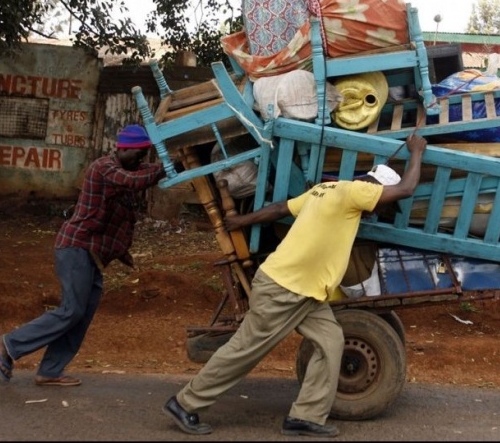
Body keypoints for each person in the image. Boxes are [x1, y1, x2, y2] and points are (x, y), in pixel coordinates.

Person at [162, 134, 428, 438]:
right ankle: (185, 404)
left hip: (307, 293)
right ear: (376, 189)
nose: (375, 214)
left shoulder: (325, 190)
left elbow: (279, 210)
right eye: (380, 207)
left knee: (331, 342)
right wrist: (416, 151)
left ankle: (305, 417)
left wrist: (242, 220)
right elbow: (406, 188)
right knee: (243, 351)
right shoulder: (356, 191)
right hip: (283, 288)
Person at [0, 124, 166, 386]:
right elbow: (136, 180)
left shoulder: (126, 168)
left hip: (92, 254)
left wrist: (121, 251)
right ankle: (9, 343)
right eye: (139, 154)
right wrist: (168, 167)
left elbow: (140, 178)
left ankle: (50, 371)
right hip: (76, 247)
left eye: (145, 154)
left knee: (81, 315)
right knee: (71, 310)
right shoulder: (104, 167)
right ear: (123, 148)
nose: (142, 159)